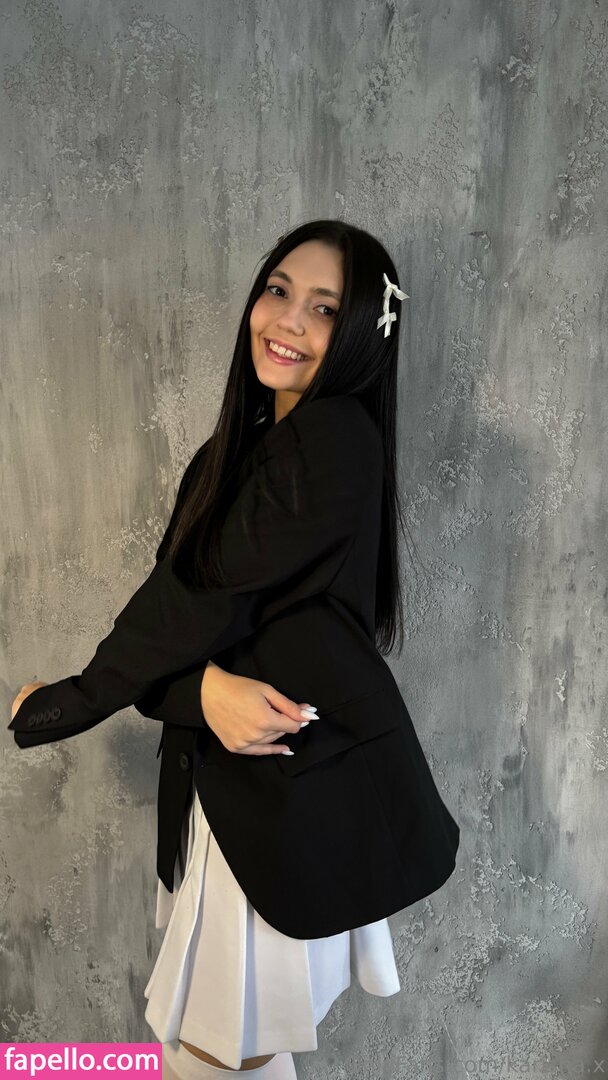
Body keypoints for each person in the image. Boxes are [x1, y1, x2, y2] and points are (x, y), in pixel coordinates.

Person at [9, 219, 460, 1078]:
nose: (287, 319)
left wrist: (71, 700)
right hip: (234, 801)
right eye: (278, 290)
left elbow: (193, 604)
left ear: (363, 331)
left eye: (324, 307)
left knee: (214, 1057)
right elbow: (188, 623)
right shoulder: (234, 452)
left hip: (290, 803)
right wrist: (201, 692)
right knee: (215, 1055)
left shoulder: (334, 439)